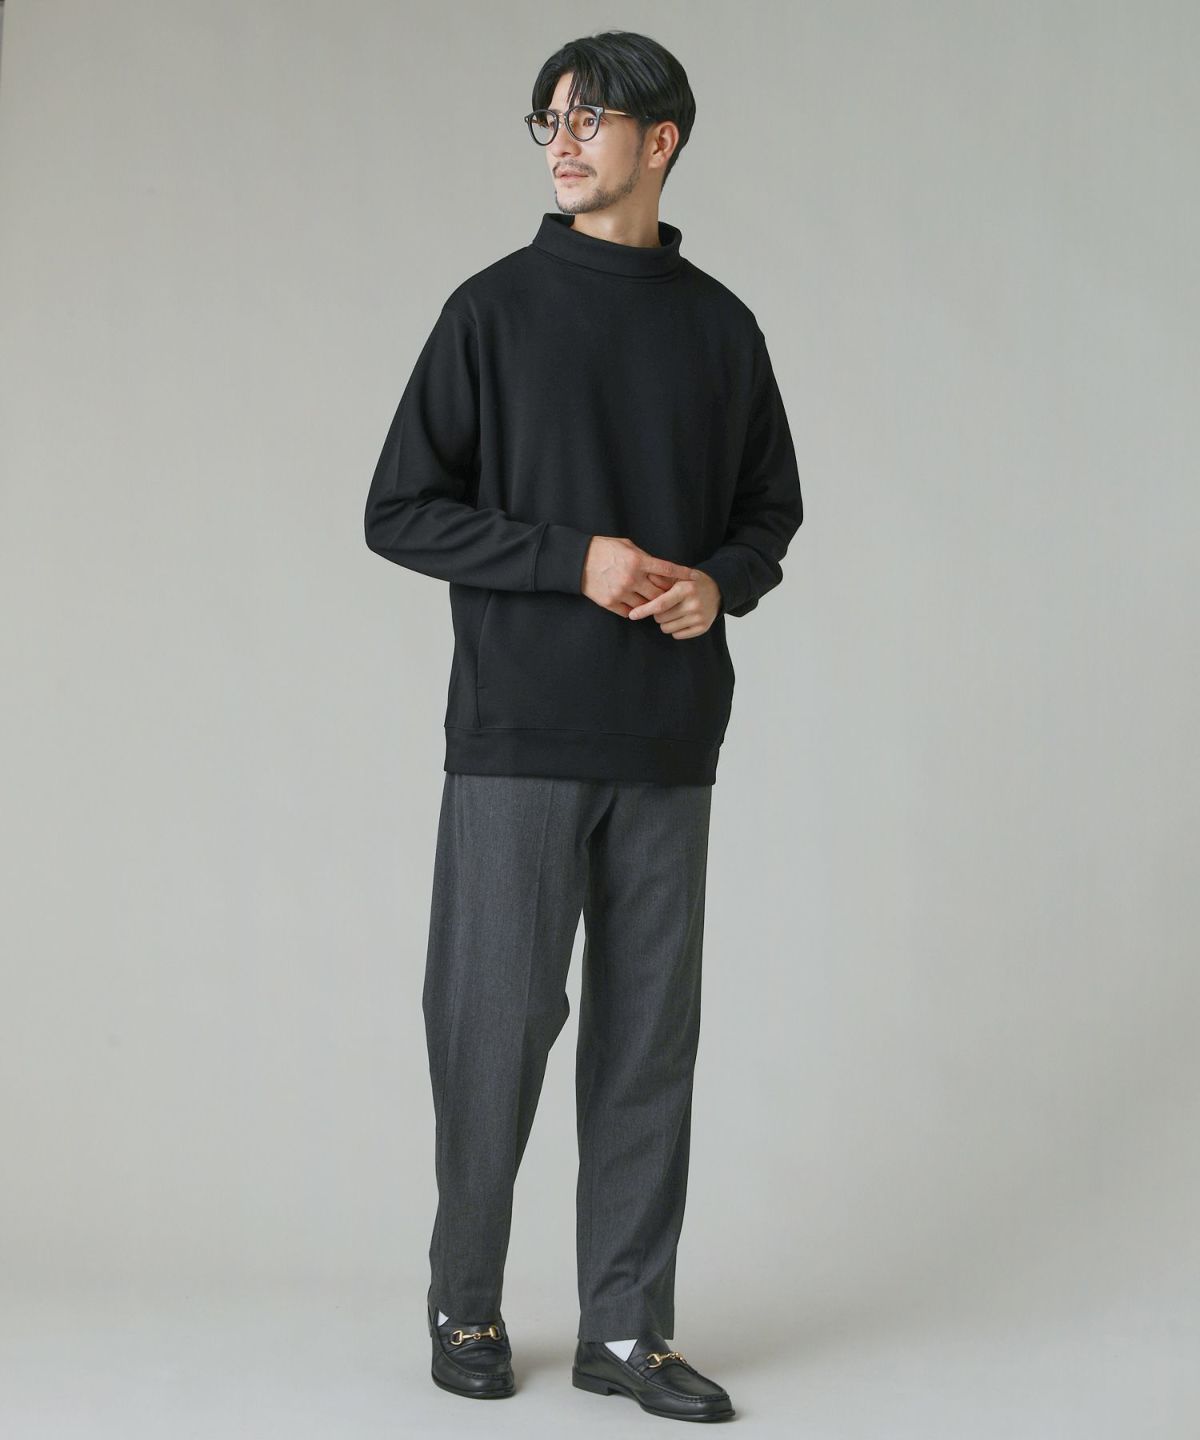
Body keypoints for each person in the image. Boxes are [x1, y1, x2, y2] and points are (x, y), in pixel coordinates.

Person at [364, 28, 802, 1424]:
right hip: (519, 733)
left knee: (647, 1046)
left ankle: (625, 1328)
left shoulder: (722, 329)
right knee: (491, 1028)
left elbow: (769, 510)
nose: (560, 140)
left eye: (589, 117)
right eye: (546, 118)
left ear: (659, 142)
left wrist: (718, 584)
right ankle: (465, 1301)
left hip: (669, 739)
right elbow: (398, 509)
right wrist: (576, 561)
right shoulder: (491, 313)